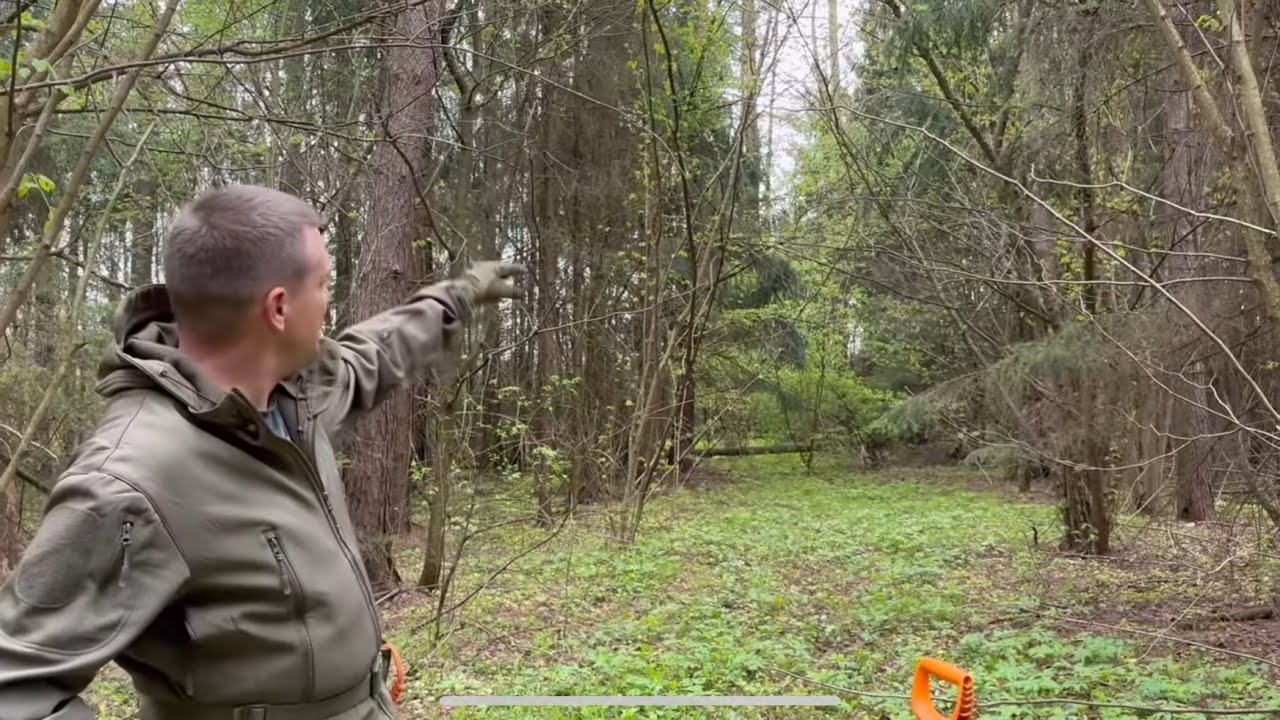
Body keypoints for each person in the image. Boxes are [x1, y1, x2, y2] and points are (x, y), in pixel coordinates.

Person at [0, 184, 525, 720]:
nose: (329, 301)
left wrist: (459, 295)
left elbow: (377, 352)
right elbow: (14, 689)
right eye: (324, 285)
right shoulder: (130, 479)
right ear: (278, 308)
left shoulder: (296, 397)